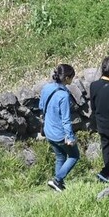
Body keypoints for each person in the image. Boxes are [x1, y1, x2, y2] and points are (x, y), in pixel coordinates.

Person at [39, 64, 79, 192]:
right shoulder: (64, 95)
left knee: (60, 157)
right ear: (67, 78)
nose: (72, 80)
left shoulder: (46, 87)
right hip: (59, 133)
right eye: (72, 77)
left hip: (48, 130)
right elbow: (66, 119)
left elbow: (41, 106)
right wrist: (70, 137)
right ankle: (57, 180)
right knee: (74, 156)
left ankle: (58, 185)